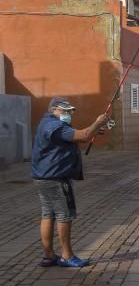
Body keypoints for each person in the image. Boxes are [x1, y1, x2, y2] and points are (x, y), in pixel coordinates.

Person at [32, 97, 108, 268]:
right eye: (64, 111)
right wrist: (96, 123)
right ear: (54, 110)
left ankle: (49, 255)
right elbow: (83, 135)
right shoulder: (54, 125)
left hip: (43, 177)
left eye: (70, 111)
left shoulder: (49, 123)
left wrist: (94, 129)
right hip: (56, 178)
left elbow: (78, 136)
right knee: (63, 215)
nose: (68, 114)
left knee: (48, 214)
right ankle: (67, 255)